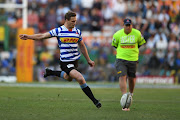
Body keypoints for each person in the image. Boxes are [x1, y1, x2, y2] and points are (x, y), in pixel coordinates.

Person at [19, 11, 101, 108]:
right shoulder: (58, 31)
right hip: (65, 62)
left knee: (68, 78)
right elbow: (42, 36)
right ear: (66, 20)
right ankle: (95, 101)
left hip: (75, 61)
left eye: (75, 21)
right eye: (72, 21)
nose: (74, 23)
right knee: (80, 78)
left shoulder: (77, 32)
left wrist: (89, 60)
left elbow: (82, 46)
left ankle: (50, 72)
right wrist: (28, 36)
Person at [111, 18, 146, 111]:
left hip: (133, 59)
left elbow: (140, 43)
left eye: (129, 25)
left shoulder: (137, 33)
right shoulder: (117, 34)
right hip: (121, 59)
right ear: (123, 26)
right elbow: (114, 45)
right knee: (122, 76)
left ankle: (130, 94)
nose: (128, 27)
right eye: (126, 25)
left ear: (132, 25)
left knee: (132, 78)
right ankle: (124, 96)